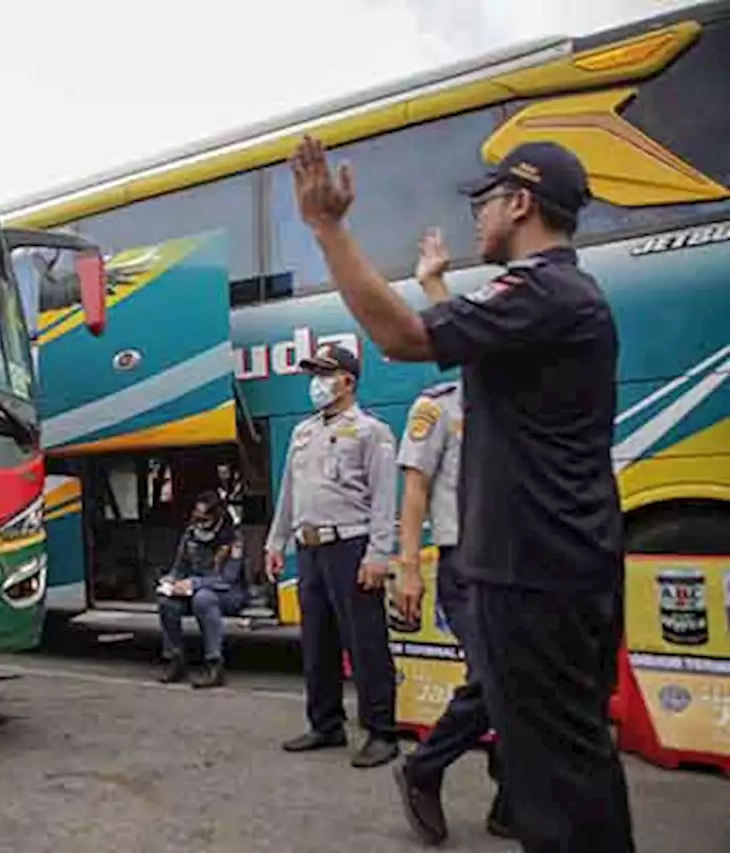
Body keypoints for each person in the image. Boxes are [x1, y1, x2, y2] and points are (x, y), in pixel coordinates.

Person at [288, 135, 633, 851]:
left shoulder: (543, 291)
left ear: (521, 202)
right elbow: (466, 342)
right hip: (557, 565)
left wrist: (327, 228)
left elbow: (404, 334)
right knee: (565, 766)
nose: (478, 217)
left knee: (560, 782)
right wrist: (438, 282)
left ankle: (429, 771)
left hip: (536, 572)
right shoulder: (557, 300)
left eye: (486, 201)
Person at [389, 227, 512, 844]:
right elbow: (414, 490)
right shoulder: (439, 406)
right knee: (494, 678)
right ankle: (424, 768)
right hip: (463, 564)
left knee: (520, 679)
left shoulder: (511, 401)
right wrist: (408, 566)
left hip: (517, 561)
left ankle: (511, 795)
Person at [265, 343, 401, 769]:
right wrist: (275, 542)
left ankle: (382, 731)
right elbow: (289, 490)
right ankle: (326, 723)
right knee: (316, 641)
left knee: (365, 642)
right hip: (309, 548)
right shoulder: (302, 432)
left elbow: (384, 499)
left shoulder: (371, 431)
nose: (317, 384)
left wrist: (379, 554)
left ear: (348, 381)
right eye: (313, 375)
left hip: (352, 546)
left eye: (325, 375)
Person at [157, 491, 246, 688]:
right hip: (194, 589)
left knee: (203, 599)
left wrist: (193, 584)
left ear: (218, 517)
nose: (200, 523)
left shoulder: (233, 539)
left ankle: (214, 663)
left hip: (228, 593)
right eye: (197, 517)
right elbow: (178, 569)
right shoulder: (190, 535)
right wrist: (170, 583)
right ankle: (174, 658)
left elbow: (228, 579)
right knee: (166, 602)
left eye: (205, 519)